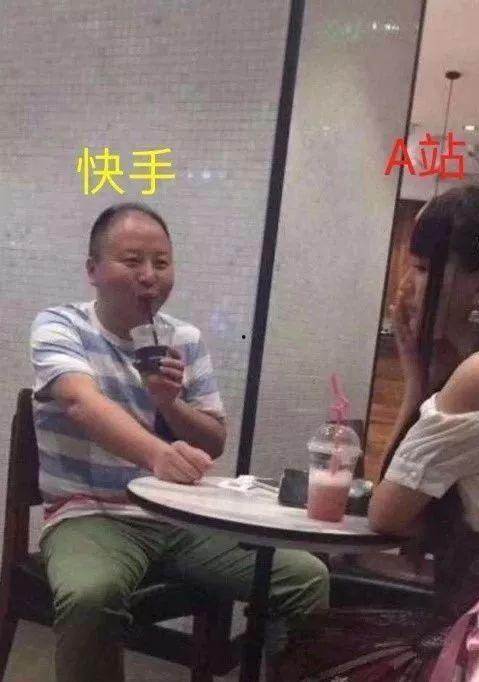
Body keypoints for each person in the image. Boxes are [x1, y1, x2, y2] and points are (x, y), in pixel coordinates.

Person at [31, 202, 329, 682]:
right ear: (93, 270)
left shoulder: (183, 338)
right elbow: (79, 402)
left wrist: (169, 404)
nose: (150, 276)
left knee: (305, 578)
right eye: (132, 261)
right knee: (91, 595)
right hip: (90, 512)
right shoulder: (61, 325)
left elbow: (213, 441)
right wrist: (158, 453)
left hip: (180, 517)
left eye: (162, 263)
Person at [296, 186, 479, 681]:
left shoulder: (477, 375)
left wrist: (416, 385)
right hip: (463, 608)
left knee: (314, 652)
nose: (405, 286)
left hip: (473, 628)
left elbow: (388, 515)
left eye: (421, 268)